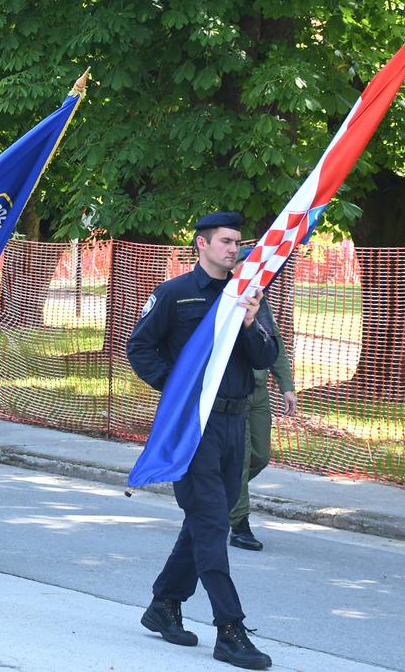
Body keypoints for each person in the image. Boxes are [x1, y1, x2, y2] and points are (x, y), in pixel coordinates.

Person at [127, 211, 277, 670]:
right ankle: (229, 629)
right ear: (202, 244)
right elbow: (139, 348)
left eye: (238, 242)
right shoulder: (174, 294)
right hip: (195, 426)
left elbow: (266, 356)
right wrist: (177, 389)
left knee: (205, 521)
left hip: (235, 423)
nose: (235, 249)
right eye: (226, 241)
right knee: (212, 524)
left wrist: (251, 322)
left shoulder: (247, 294)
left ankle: (165, 602)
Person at [228, 269, 297, 551]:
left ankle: (218, 491)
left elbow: (273, 343)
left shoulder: (259, 301)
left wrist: (286, 386)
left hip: (259, 393)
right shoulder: (224, 299)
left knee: (260, 456)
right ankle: (239, 525)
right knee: (241, 461)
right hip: (234, 392)